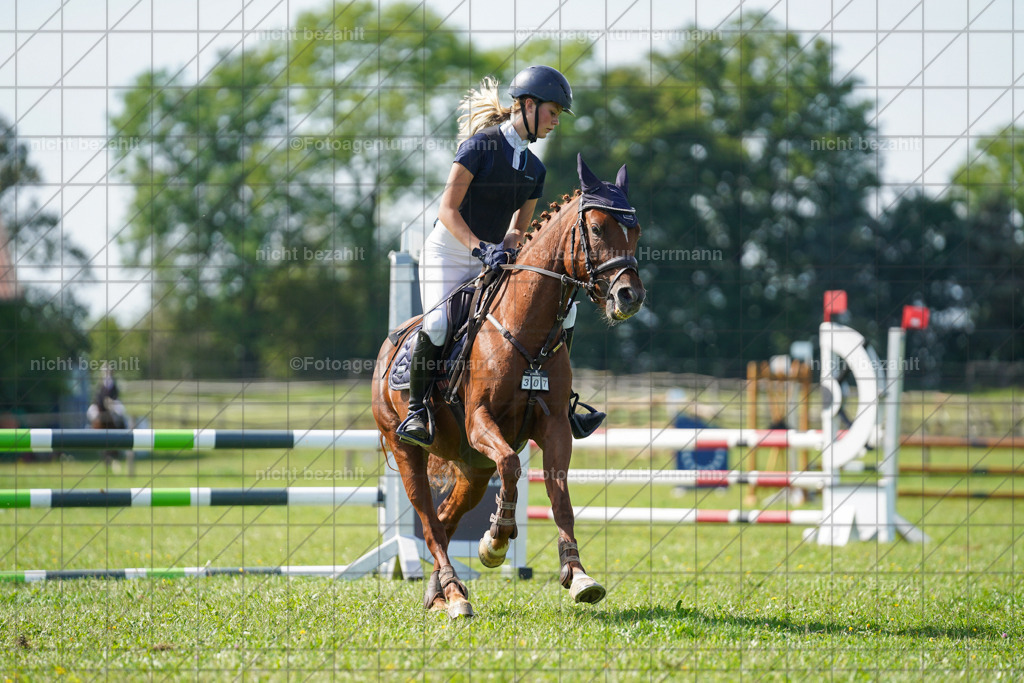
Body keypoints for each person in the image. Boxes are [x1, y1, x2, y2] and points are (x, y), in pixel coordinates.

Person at [396, 65, 605, 448]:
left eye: (558, 115)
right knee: (440, 324)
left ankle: (561, 400)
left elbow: (516, 229)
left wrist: (509, 247)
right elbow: (447, 211)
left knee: (567, 310)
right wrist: (480, 248)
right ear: (527, 105)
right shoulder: (479, 147)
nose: (556, 121)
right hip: (448, 251)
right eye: (552, 112)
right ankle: (417, 410)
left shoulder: (535, 170)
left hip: (490, 258)